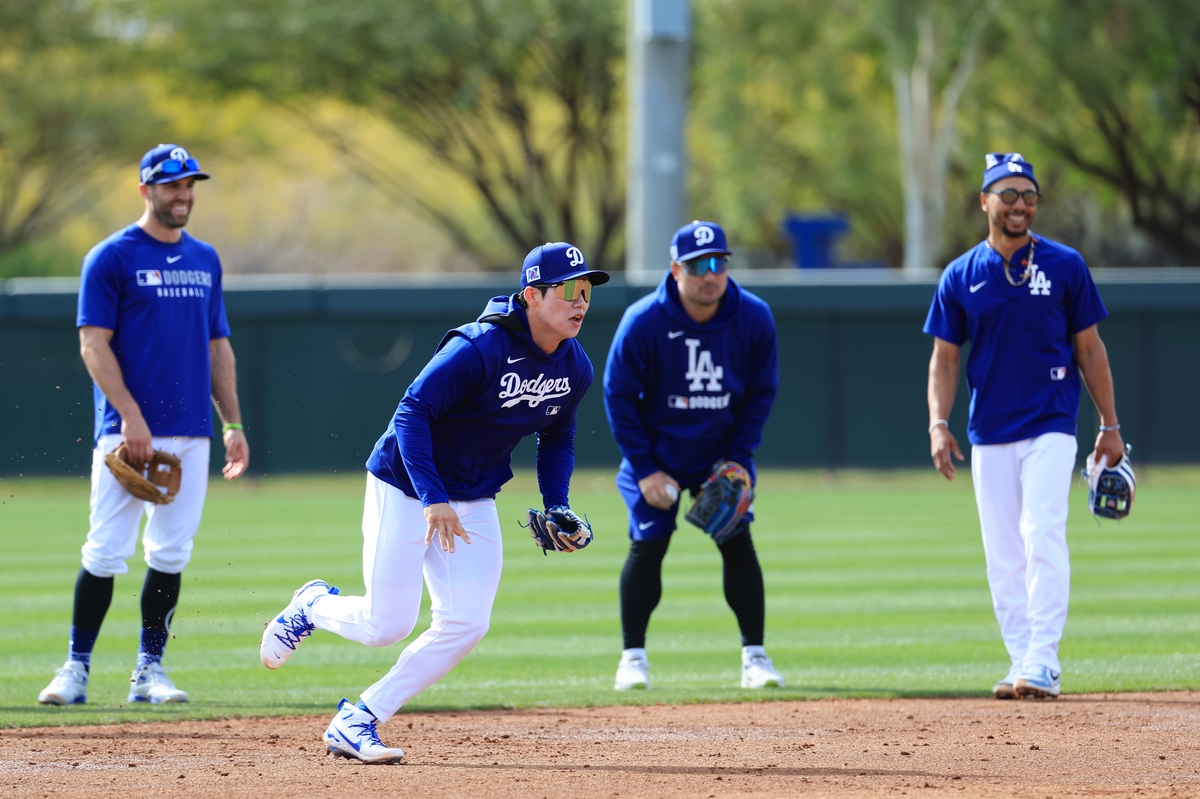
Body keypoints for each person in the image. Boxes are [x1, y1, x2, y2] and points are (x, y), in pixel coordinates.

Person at [259, 242, 607, 764]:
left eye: (586, 292)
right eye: (568, 291)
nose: (580, 302)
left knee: (467, 622)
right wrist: (432, 498)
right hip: (404, 484)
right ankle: (311, 605)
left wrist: (556, 503)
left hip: (474, 494)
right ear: (532, 295)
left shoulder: (574, 366)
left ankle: (360, 717)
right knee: (386, 626)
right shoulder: (479, 347)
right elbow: (411, 413)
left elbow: (558, 436)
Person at [38, 144, 250, 706]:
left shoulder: (205, 258)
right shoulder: (110, 257)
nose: (184, 194)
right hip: (125, 432)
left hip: (190, 430)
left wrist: (233, 421)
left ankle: (148, 672)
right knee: (105, 551)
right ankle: (75, 669)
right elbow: (92, 344)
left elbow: (217, 345)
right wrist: (130, 417)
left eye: (190, 185)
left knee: (170, 554)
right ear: (146, 190)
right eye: (172, 185)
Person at [924, 153, 1124, 700]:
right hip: (989, 429)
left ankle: (1044, 658)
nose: (1020, 205)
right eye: (1008, 194)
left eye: (1028, 195)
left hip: (1051, 423)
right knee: (1003, 551)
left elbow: (1090, 348)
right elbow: (944, 358)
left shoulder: (1064, 265)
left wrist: (1111, 424)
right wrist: (938, 423)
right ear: (984, 201)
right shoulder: (961, 274)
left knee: (1042, 530)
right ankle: (1021, 657)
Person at [603, 220, 781, 691]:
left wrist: (738, 459)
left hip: (719, 455)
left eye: (718, 263)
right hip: (657, 452)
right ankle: (632, 658)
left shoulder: (754, 317)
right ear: (675, 269)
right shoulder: (643, 321)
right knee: (649, 543)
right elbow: (617, 395)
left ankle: (755, 657)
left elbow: (761, 393)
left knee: (737, 540)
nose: (710, 274)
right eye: (698, 265)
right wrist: (644, 469)